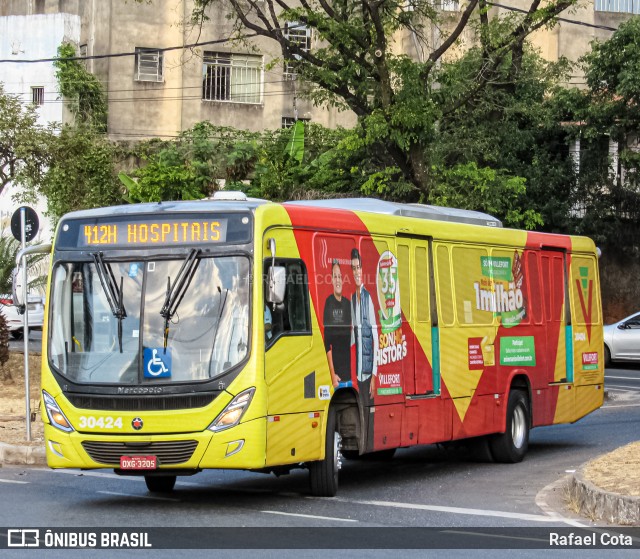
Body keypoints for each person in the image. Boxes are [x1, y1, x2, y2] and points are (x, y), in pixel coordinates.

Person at [350, 248, 378, 403]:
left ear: (363, 269)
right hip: (358, 375)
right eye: (353, 268)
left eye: (358, 267)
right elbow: (355, 336)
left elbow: (375, 338)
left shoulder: (369, 299)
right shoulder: (353, 298)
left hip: (368, 375)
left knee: (369, 419)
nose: (356, 272)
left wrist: (374, 376)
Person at [323, 259, 352, 388]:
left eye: (340, 276)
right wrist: (333, 375)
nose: (338, 280)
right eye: (335, 276)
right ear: (332, 280)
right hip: (337, 379)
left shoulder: (347, 304)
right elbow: (326, 345)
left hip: (350, 376)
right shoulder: (329, 303)